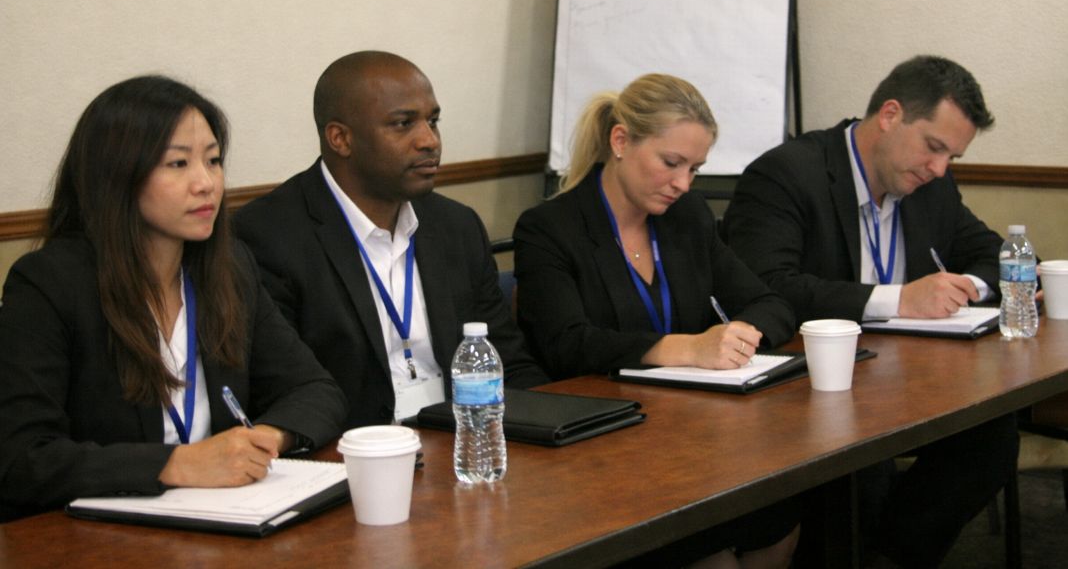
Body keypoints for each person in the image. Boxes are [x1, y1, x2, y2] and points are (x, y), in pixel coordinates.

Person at [0, 76, 346, 522]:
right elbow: (22, 460)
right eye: (178, 164)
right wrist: (179, 464)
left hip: (223, 521)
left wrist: (263, 440)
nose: (206, 184)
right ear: (116, 175)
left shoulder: (228, 269)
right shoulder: (50, 284)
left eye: (214, 161)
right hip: (100, 537)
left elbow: (315, 389)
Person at [724, 55, 1018, 567]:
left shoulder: (931, 186)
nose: (940, 168)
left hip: (907, 377)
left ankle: (890, 558)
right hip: (809, 387)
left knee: (990, 436)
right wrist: (900, 299)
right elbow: (767, 287)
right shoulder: (787, 174)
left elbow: (992, 254)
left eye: (952, 156)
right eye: (934, 147)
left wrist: (962, 287)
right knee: (864, 459)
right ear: (890, 115)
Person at [514, 74, 798, 568]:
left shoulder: (686, 217)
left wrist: (738, 336)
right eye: (671, 163)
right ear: (621, 141)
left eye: (695, 168)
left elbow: (770, 303)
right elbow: (566, 344)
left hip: (692, 436)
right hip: (606, 447)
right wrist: (683, 349)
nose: (684, 184)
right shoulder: (550, 229)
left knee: (782, 518)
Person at [234, 51, 547, 428]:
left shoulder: (456, 226)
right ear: (341, 138)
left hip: (460, 440)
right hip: (353, 454)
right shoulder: (268, 235)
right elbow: (283, 392)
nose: (429, 140)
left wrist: (557, 428)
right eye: (403, 124)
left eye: (433, 121)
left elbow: (506, 359)